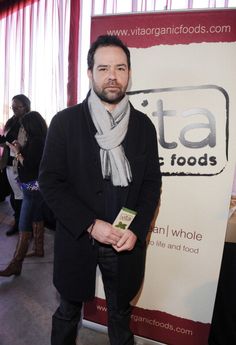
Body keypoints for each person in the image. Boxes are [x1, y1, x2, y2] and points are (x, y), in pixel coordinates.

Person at [39, 35, 162, 345]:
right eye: (103, 67)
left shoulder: (144, 126)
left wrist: (137, 229)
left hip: (124, 240)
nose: (112, 76)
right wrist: (91, 225)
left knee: (120, 314)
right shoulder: (65, 123)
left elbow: (151, 184)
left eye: (120, 68)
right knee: (68, 310)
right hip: (79, 236)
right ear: (90, 73)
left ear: (129, 73)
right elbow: (50, 182)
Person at [0, 111, 47, 277]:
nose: (23, 129)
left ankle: (16, 263)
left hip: (32, 185)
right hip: (32, 184)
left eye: (24, 126)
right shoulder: (39, 140)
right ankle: (39, 249)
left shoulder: (37, 142)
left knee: (24, 222)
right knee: (36, 214)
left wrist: (17, 150)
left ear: (30, 126)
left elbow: (28, 165)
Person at [0, 94, 31, 236]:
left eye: (18, 107)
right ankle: (19, 222)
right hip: (9, 162)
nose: (14, 109)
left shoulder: (30, 121)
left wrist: (14, 145)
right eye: (13, 107)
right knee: (14, 195)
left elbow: (27, 144)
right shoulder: (11, 121)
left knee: (22, 195)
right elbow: (6, 141)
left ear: (25, 106)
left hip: (21, 163)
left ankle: (23, 225)